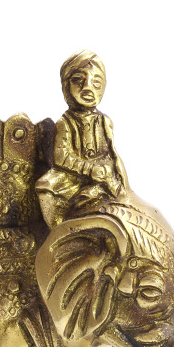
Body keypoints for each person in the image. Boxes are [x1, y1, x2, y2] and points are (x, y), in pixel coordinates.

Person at [36, 50, 129, 228]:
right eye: (78, 80)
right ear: (66, 85)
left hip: (101, 172)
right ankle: (58, 230)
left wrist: (111, 174)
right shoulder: (65, 122)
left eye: (96, 82)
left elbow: (112, 154)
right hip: (72, 175)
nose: (87, 87)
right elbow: (60, 157)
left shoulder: (104, 122)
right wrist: (89, 169)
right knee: (45, 186)